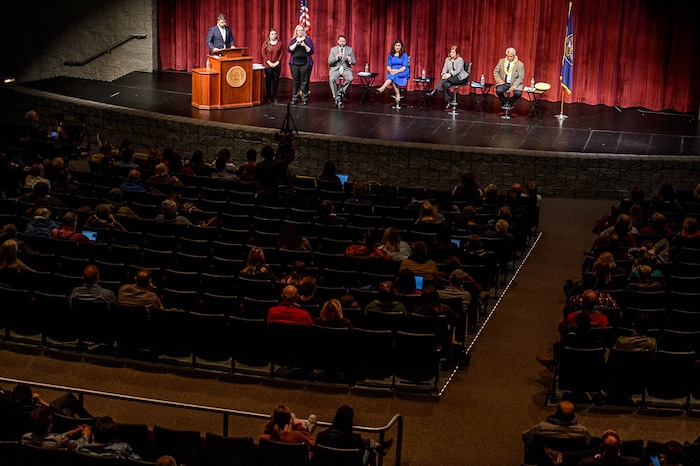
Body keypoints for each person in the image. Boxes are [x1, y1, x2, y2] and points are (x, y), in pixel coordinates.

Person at [316, 405, 392, 466]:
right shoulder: (355, 441)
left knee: (364, 443)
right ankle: (377, 446)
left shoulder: (320, 436)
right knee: (368, 448)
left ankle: (377, 445)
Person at [522, 400, 592, 448]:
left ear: (556, 413)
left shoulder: (540, 428)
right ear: (573, 415)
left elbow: (526, 438)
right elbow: (588, 444)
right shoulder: (582, 431)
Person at [21, 406, 91, 450]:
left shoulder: (25, 439)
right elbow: (77, 445)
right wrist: (86, 435)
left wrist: (69, 433)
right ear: (49, 426)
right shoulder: (58, 441)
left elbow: (50, 438)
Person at [376, 39, 410, 104]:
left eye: (399, 45)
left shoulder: (404, 55)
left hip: (402, 71)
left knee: (393, 76)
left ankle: (382, 88)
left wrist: (397, 71)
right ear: (394, 46)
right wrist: (390, 70)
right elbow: (388, 65)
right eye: (396, 45)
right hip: (393, 71)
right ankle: (397, 94)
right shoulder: (390, 55)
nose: (397, 47)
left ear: (401, 47)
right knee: (393, 76)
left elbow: (405, 66)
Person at [288, 24, 315, 105]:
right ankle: (295, 98)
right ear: (296, 31)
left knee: (304, 81)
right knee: (296, 81)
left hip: (305, 64)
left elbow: (311, 51)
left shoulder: (308, 40)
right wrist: (296, 43)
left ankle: (304, 98)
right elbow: (289, 49)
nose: (300, 32)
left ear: (304, 31)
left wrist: (304, 45)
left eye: (302, 30)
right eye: (298, 30)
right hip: (295, 64)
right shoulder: (293, 40)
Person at [328, 34, 356, 103]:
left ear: (345, 42)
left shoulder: (350, 49)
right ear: (338, 41)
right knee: (332, 79)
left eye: (343, 41)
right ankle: (335, 96)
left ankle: (341, 90)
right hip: (335, 69)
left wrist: (350, 60)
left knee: (350, 78)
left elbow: (354, 62)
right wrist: (337, 57)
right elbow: (329, 61)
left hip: (345, 68)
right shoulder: (333, 49)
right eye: (341, 41)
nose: (342, 42)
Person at [261, 28, 283, 103]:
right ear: (269, 35)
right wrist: (269, 62)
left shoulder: (279, 43)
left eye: (275, 34)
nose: (274, 36)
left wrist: (277, 62)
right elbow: (263, 54)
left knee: (276, 81)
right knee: (268, 81)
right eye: (272, 34)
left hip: (277, 65)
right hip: (268, 66)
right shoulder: (266, 43)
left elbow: (281, 53)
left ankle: (275, 96)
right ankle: (268, 97)